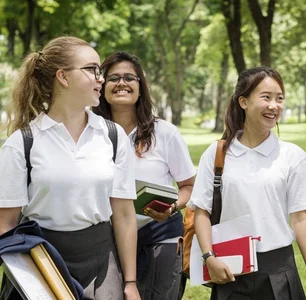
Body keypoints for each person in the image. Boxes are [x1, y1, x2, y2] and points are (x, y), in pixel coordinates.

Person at [0, 37, 140, 299]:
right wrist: (24, 276)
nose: (101, 78)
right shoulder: (23, 142)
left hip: (101, 262)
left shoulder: (113, 136)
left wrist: (130, 283)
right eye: (92, 69)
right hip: (39, 261)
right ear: (63, 77)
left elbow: (123, 215)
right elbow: (5, 225)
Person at [187, 67, 306, 300]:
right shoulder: (217, 153)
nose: (274, 105)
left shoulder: (292, 155)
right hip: (230, 269)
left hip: (278, 270)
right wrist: (209, 257)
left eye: (279, 98)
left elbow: (301, 219)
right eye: (266, 97)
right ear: (243, 101)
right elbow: (201, 211)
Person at [92, 52, 196, 300]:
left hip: (160, 235)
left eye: (130, 77)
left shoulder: (165, 133)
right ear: (102, 86)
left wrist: (171, 207)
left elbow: (189, 186)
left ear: (140, 86)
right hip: (106, 240)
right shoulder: (90, 134)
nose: (121, 83)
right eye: (113, 77)